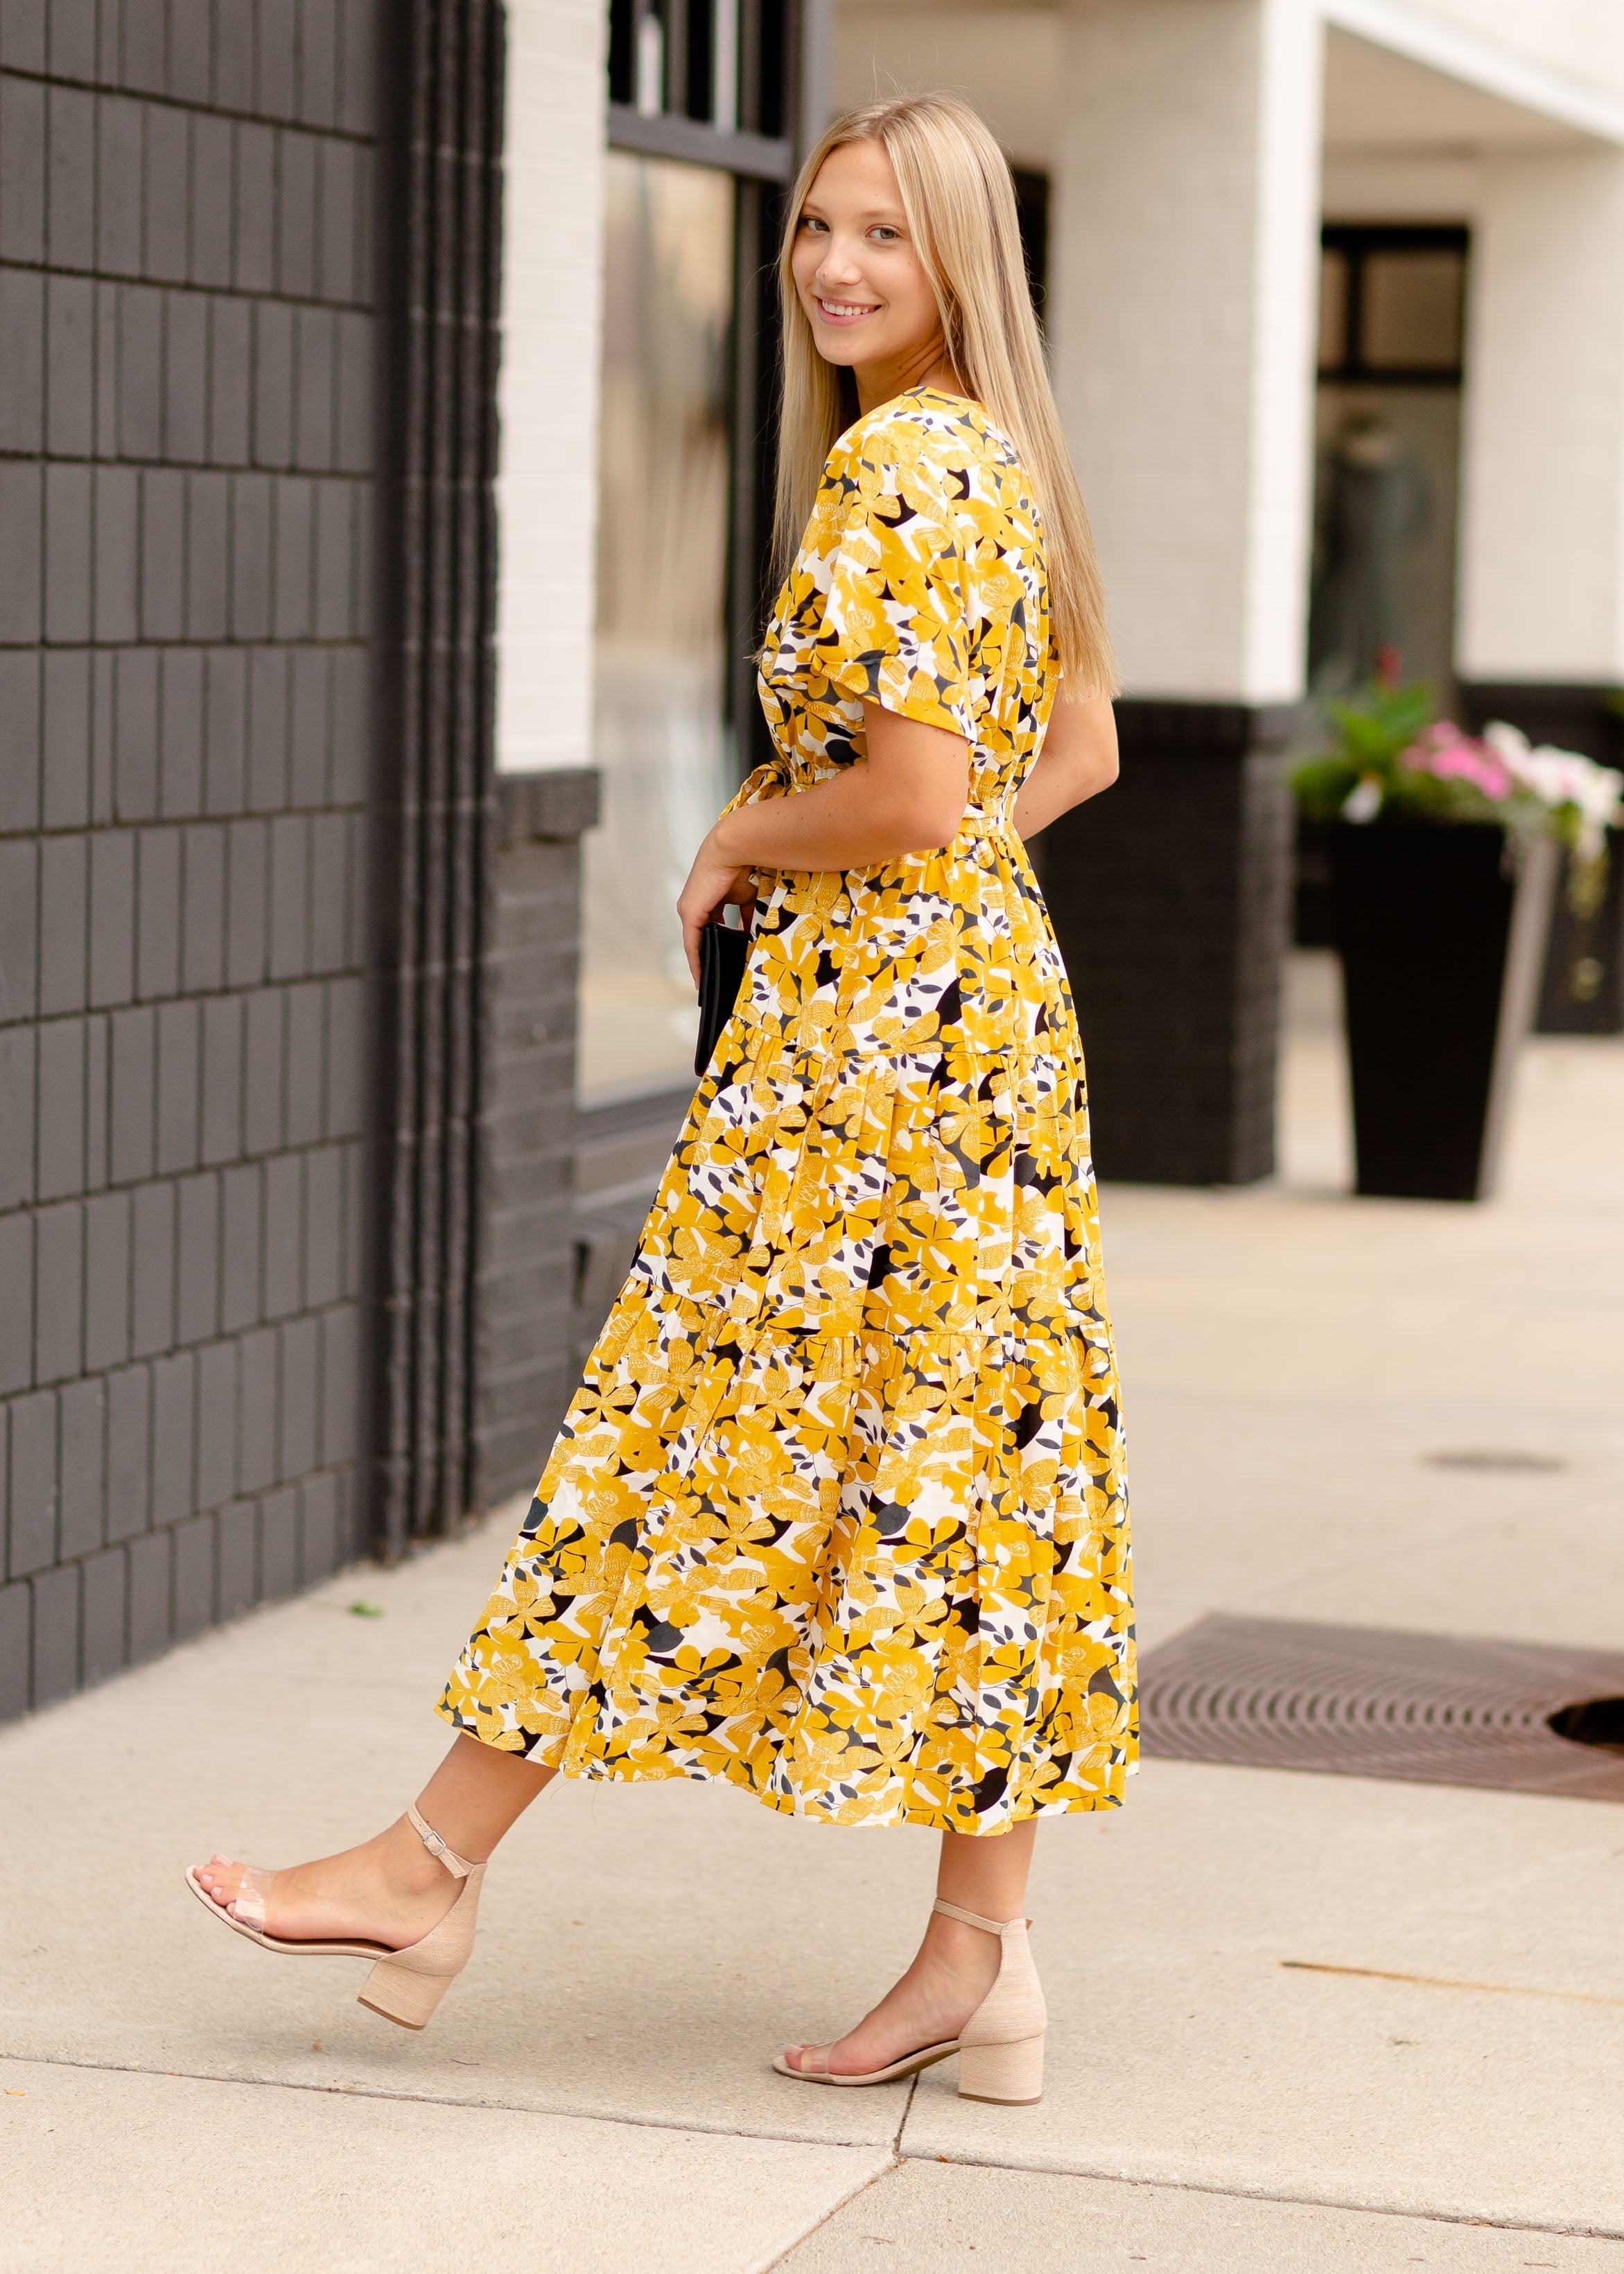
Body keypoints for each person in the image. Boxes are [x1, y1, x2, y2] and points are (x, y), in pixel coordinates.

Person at [189, 92, 1133, 2108]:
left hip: (866, 1063)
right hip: (967, 1037)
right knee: (972, 1479)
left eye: (884, 233)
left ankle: (424, 1866)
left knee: (691, 1445)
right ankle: (983, 1953)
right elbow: (1080, 750)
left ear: (959, 256)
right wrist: (937, 907)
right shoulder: (996, 456)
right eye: (815, 228)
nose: (834, 266)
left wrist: (743, 836)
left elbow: (919, 793)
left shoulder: (901, 465)